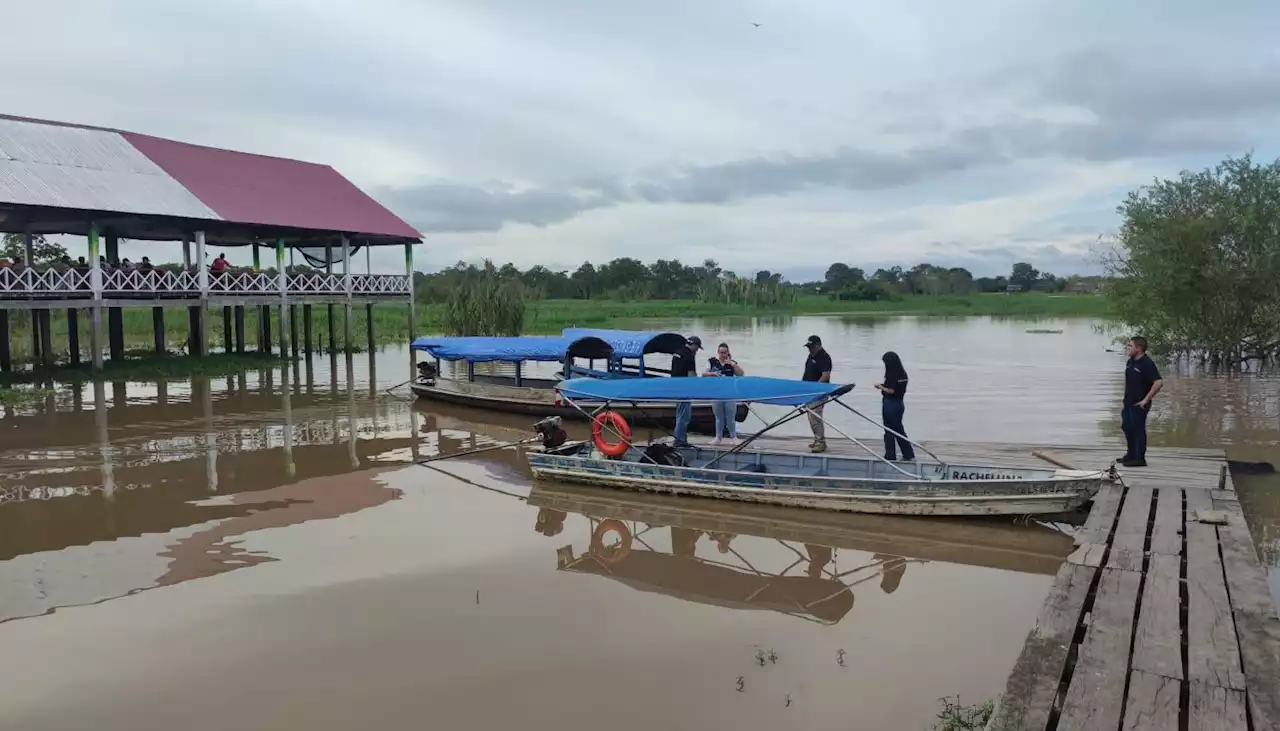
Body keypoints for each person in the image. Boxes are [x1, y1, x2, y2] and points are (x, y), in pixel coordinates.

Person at [1119, 336, 1163, 467]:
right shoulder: (1130, 361)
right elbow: (1128, 379)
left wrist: (1146, 399)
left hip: (1140, 403)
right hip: (1128, 401)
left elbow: (1159, 382)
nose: (1128, 348)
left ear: (1139, 348)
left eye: (1130, 346)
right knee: (1126, 427)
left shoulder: (1147, 363)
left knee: (1138, 429)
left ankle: (1140, 459)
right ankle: (1130, 454)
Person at [874, 351, 915, 461]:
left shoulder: (892, 374)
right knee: (899, 429)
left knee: (889, 431)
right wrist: (884, 386)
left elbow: (891, 390)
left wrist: (880, 387)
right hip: (900, 404)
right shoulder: (903, 374)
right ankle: (908, 453)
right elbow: (897, 389)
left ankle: (890, 455)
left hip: (890, 404)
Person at [703, 342, 744, 445]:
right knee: (719, 417)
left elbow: (741, 374)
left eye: (724, 352)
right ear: (718, 352)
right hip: (716, 393)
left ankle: (733, 437)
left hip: (729, 393)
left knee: (731, 417)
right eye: (721, 352)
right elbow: (704, 374)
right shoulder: (711, 361)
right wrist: (713, 373)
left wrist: (733, 364)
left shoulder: (732, 363)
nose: (722, 355)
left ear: (728, 352)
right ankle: (718, 437)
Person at [802, 335, 833, 452]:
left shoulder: (824, 357)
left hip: (819, 393)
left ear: (818, 346)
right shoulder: (811, 356)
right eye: (809, 347)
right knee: (811, 417)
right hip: (808, 392)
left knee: (815, 416)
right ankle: (817, 439)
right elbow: (807, 373)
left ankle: (821, 442)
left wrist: (815, 388)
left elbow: (825, 376)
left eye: (812, 347)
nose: (810, 350)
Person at [671, 335, 701, 446]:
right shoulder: (689, 356)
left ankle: (681, 438)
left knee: (679, 415)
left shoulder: (677, 352)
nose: (697, 351)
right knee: (684, 416)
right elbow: (691, 375)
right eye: (697, 348)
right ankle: (679, 441)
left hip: (675, 387)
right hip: (684, 389)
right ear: (694, 345)